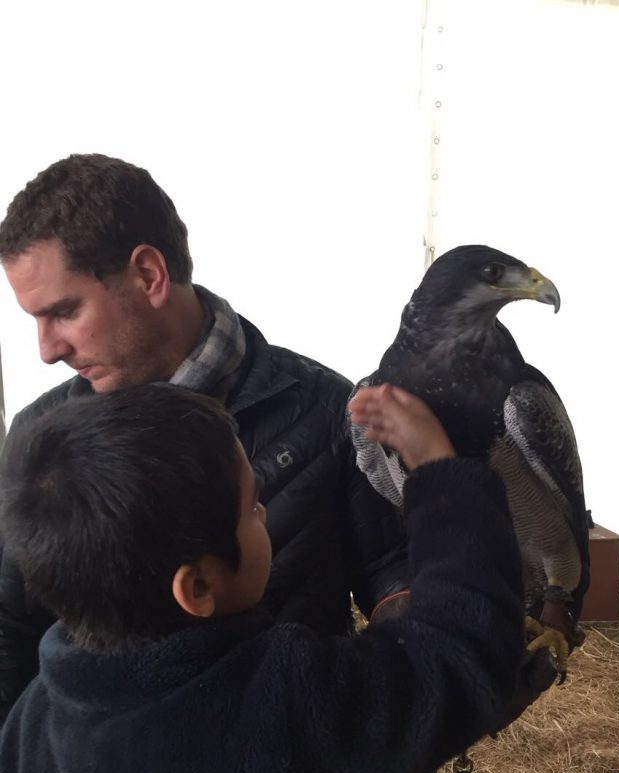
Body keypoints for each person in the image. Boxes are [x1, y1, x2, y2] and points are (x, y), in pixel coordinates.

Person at [0, 382, 524, 773]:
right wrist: (439, 475)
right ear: (197, 587)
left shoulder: (30, 728)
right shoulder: (282, 708)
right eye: (251, 508)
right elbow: (460, 650)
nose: (263, 511)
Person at [0, 153, 410, 724]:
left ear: (149, 275)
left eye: (63, 312)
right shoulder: (37, 444)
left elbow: (392, 572)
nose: (46, 350)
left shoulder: (323, 409)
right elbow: (13, 630)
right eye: (35, 320)